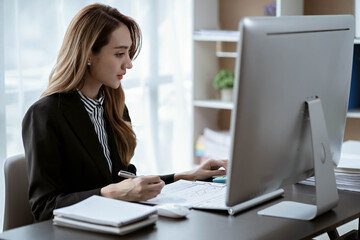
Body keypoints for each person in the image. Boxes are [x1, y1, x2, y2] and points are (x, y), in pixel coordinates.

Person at [22, 3, 227, 222]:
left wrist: (185, 176)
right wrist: (108, 193)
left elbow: (125, 184)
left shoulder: (113, 105)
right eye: (120, 54)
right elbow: (44, 208)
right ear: (88, 54)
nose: (128, 64)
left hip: (115, 226)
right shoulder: (45, 115)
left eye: (128, 53)